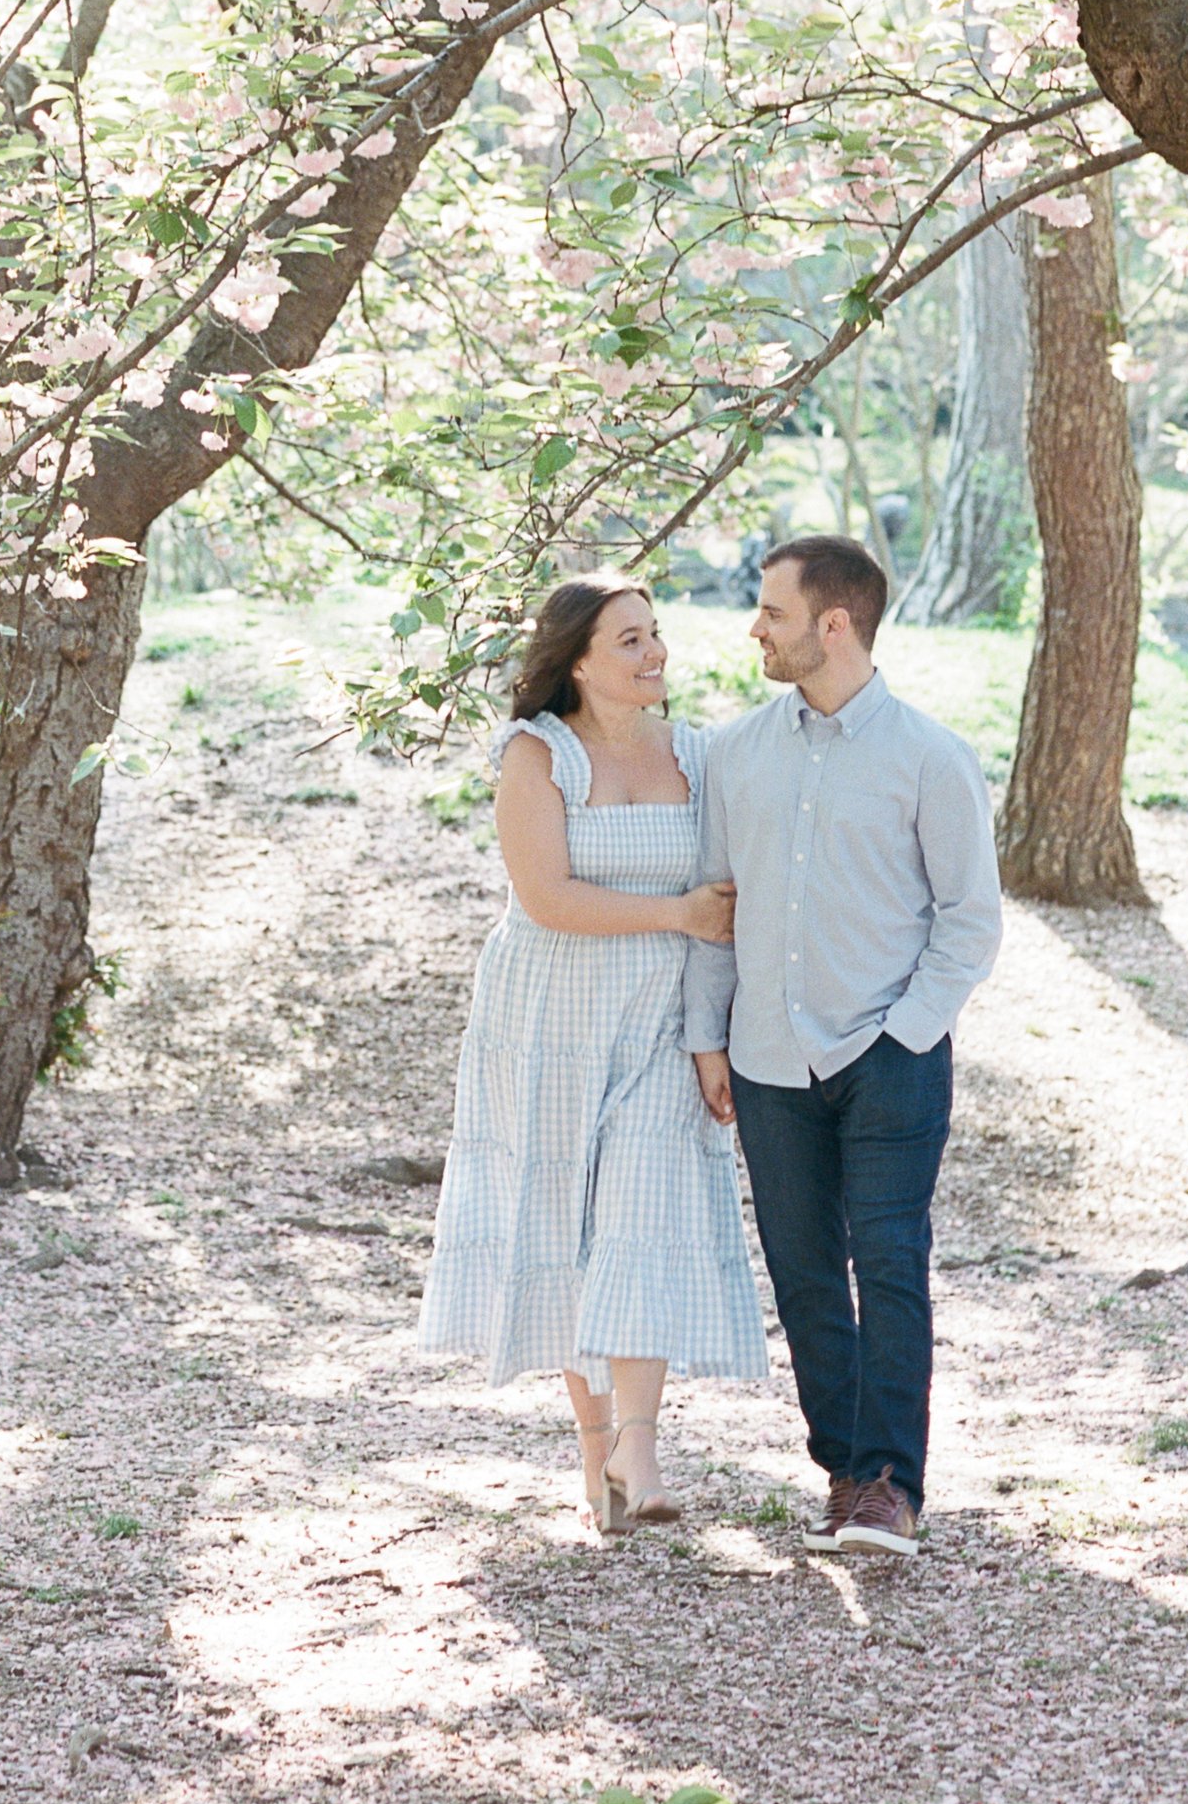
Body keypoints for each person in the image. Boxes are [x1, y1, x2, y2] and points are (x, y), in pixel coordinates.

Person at [420, 575, 766, 1532]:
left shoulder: (700, 754)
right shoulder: (538, 755)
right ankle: (595, 1447)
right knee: (566, 1220)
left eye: (656, 634)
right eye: (628, 640)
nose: (654, 652)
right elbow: (548, 896)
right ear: (576, 659)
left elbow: (721, 897)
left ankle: (642, 1448)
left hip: (661, 1012)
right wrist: (676, 912)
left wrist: (711, 1036)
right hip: (551, 1016)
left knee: (644, 1204)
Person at [686, 534, 1001, 1561]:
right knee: (805, 1272)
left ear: (834, 624)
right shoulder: (735, 752)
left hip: (888, 1055)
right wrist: (707, 1034)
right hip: (769, 1058)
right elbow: (718, 908)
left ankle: (891, 1487)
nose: (754, 627)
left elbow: (969, 920)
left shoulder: (930, 756)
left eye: (770, 610)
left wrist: (904, 1036)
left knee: (891, 1261)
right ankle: (844, 1468)